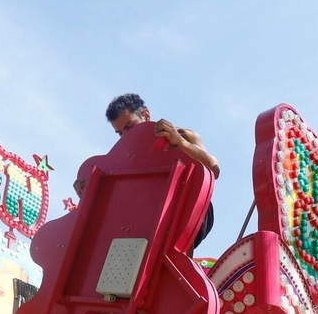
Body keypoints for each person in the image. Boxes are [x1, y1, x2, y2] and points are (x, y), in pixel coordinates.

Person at [76, 93, 220, 249]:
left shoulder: (182, 135)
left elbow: (213, 168)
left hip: (191, 209)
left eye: (129, 127)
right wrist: (90, 194)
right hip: (150, 217)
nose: (126, 136)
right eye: (120, 133)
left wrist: (180, 143)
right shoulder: (127, 160)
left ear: (146, 114)